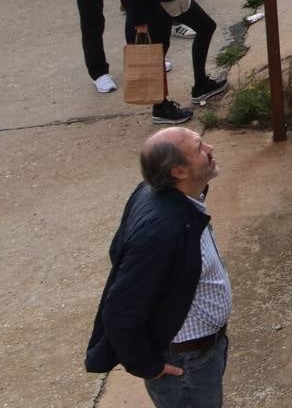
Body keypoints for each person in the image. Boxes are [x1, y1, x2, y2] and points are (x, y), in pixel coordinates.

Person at [85, 127, 232, 406]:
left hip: (202, 354)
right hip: (185, 366)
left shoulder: (170, 198)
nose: (211, 149)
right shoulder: (162, 232)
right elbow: (119, 312)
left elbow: (117, 248)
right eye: (200, 148)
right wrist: (146, 366)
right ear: (179, 172)